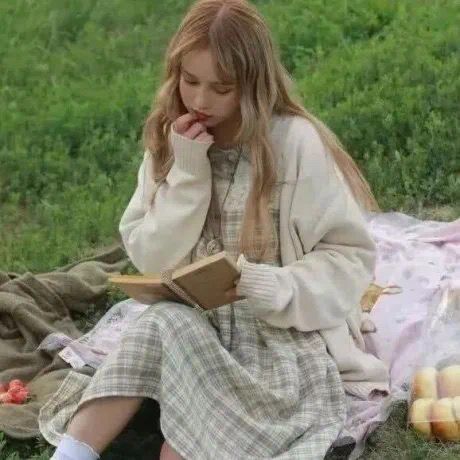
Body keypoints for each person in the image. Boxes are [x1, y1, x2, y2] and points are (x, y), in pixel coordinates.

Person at [42, 1, 389, 458]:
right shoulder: (173, 139)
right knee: (161, 322)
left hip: (278, 340)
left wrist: (269, 285)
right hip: (194, 327)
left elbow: (348, 258)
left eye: (221, 88)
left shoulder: (294, 142)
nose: (201, 101)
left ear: (253, 83)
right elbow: (150, 256)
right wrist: (188, 172)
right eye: (190, 82)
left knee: (184, 447)